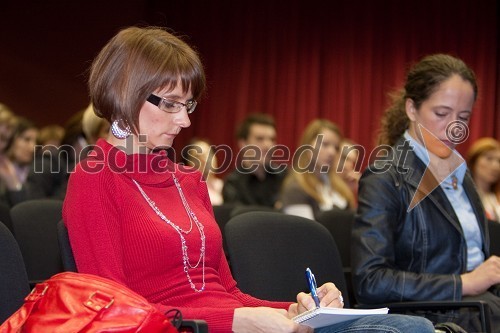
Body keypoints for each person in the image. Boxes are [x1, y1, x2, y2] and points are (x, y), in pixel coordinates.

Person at [63, 26, 434, 333]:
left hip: (226, 323)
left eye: (188, 105)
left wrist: (296, 309)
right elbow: (116, 312)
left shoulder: (188, 180)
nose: (185, 121)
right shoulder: (94, 179)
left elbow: (228, 293)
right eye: (172, 104)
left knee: (414, 328)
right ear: (126, 93)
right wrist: (239, 320)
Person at [352, 53, 500, 331]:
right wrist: (463, 283)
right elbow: (370, 282)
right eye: (441, 114)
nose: (455, 128)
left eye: (464, 117)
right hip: (434, 316)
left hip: (477, 306)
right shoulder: (386, 176)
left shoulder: (462, 173)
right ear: (411, 108)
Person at [281, 119, 355, 220]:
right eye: (325, 144)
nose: (332, 152)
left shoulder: (341, 188)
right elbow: (305, 233)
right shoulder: (296, 189)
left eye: (336, 147)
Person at [223, 113, 287, 208]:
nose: (268, 145)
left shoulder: (286, 177)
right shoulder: (233, 184)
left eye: (272, 139)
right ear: (243, 144)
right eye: (260, 139)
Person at [0, 117, 38, 206]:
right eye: (26, 139)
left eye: (35, 141)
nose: (33, 148)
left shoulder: (33, 172)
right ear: (11, 139)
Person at [467, 137, 500, 222]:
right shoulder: (463, 195)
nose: (496, 166)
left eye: (499, 161)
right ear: (474, 161)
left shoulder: (495, 198)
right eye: (489, 158)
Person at [183, 137, 224, 205]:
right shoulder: (189, 190)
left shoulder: (224, 185)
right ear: (188, 163)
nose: (206, 159)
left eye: (209, 153)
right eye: (199, 156)